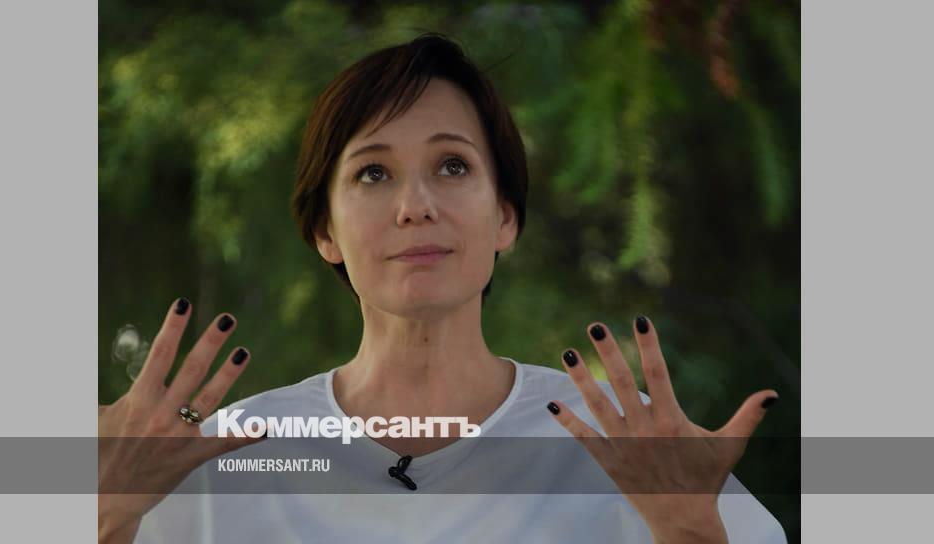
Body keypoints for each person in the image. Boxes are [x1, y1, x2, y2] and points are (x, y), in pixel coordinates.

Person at [98, 33, 787, 543]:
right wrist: (105, 516)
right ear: (324, 231)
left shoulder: (632, 451)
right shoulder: (216, 459)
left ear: (505, 217)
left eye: (452, 166)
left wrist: (691, 533)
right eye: (372, 173)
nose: (415, 206)